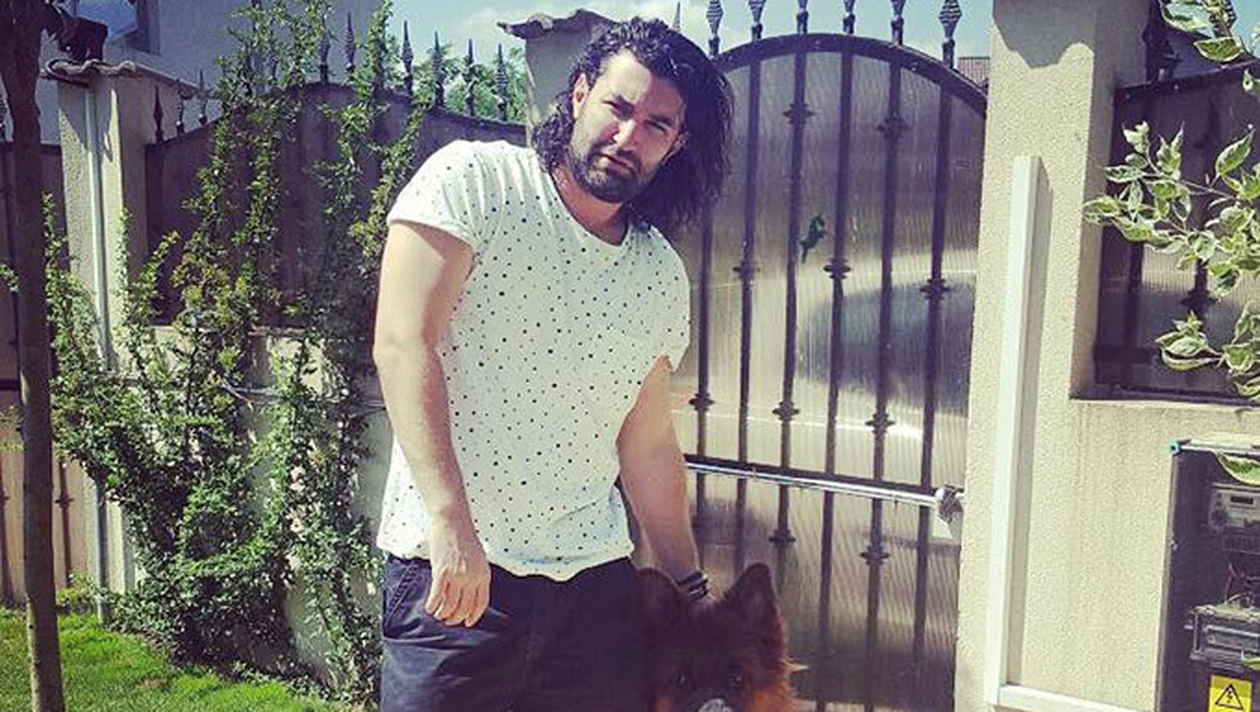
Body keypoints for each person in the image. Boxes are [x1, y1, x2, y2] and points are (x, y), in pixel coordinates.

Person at [371, 16, 732, 712]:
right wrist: (450, 522)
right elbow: (403, 341)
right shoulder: (476, 183)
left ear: (676, 144)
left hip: (594, 600)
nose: (627, 135)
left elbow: (647, 443)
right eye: (618, 106)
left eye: (656, 125)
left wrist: (689, 589)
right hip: (458, 579)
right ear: (580, 93)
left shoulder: (658, 274)